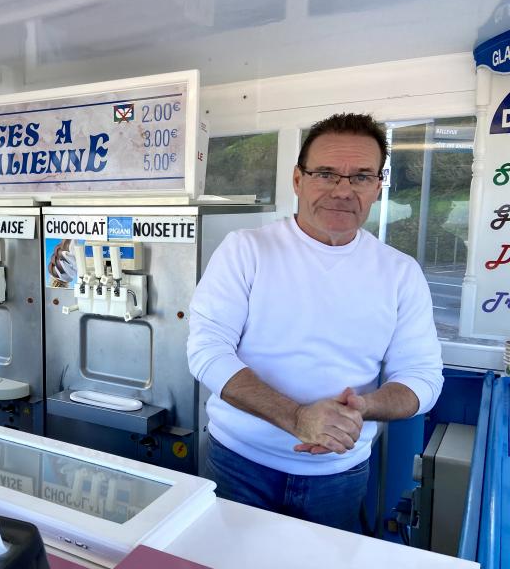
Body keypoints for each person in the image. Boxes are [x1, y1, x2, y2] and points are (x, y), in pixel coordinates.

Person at [187, 113, 443, 533]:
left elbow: (423, 377)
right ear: (297, 180)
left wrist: (363, 407)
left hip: (338, 476)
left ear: (378, 186)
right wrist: (297, 416)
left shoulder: (400, 272)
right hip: (236, 464)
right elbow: (206, 350)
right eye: (325, 173)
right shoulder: (246, 250)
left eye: (361, 176)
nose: (343, 190)